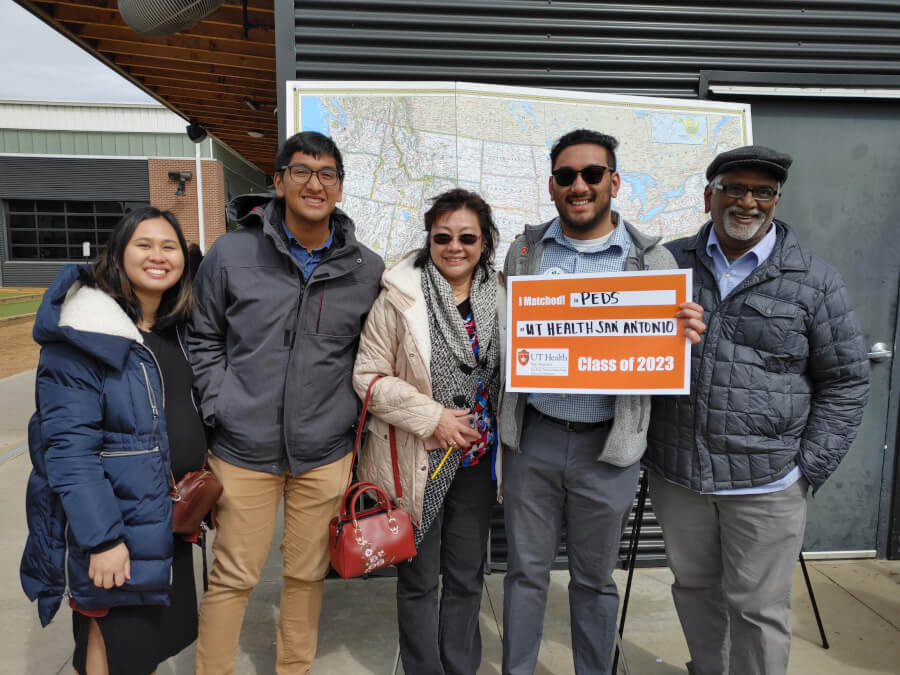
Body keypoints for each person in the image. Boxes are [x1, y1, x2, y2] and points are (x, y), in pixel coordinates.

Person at [644, 145, 870, 675]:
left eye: (762, 192)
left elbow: (846, 381)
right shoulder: (665, 265)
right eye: (735, 189)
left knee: (758, 609)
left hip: (767, 480)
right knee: (694, 590)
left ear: (776, 201)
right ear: (709, 196)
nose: (748, 202)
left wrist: (806, 468)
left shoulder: (814, 279)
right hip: (678, 475)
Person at [498, 129, 706, 675]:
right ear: (552, 185)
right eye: (566, 176)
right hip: (534, 438)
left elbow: (665, 348)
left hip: (609, 448)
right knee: (524, 574)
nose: (579, 186)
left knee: (594, 579)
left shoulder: (653, 261)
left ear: (614, 181)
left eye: (592, 174)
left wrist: (682, 332)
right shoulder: (525, 252)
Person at [188, 130, 384, 674]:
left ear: (339, 188)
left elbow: (371, 353)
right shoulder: (231, 253)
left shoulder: (366, 268)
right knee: (234, 577)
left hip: (324, 452)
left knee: (305, 575)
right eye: (301, 171)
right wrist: (220, 405)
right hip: (243, 449)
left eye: (326, 174)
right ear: (278, 181)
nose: (314, 184)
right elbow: (203, 338)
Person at [20, 206, 204, 674]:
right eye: (144, 245)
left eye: (169, 246)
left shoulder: (175, 331)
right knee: (112, 640)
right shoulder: (85, 334)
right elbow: (69, 452)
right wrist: (103, 541)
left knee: (147, 646)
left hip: (163, 520)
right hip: (115, 526)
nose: (158, 256)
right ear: (118, 254)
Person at [352, 188, 502, 675]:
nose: (454, 247)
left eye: (467, 237)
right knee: (418, 580)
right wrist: (433, 417)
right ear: (429, 240)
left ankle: (460, 667)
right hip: (417, 460)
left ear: (485, 242)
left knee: (466, 576)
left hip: (477, 463)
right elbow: (368, 376)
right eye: (443, 237)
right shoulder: (399, 298)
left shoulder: (505, 298)